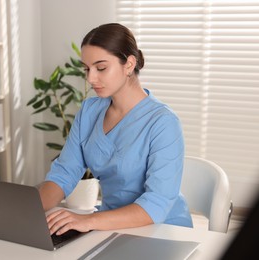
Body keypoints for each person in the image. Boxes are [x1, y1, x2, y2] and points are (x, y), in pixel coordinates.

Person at [38, 23, 193, 236]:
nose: (90, 78)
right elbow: (64, 173)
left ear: (129, 64)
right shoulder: (89, 111)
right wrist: (27, 210)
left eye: (101, 68)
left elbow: (157, 203)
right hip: (109, 225)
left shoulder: (163, 122)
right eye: (86, 69)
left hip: (162, 229)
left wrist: (87, 220)